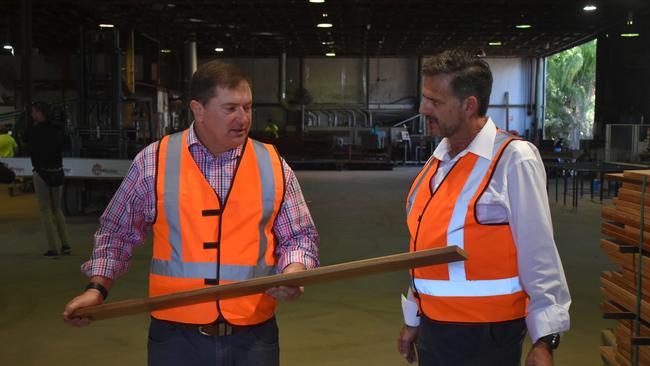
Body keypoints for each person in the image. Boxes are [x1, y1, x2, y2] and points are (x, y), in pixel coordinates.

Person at [62, 61, 320, 366]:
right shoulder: (154, 162)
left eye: (248, 107)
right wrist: (97, 289)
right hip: (176, 340)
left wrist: (293, 272)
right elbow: (116, 232)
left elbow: (299, 235)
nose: (243, 118)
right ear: (198, 110)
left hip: (254, 337)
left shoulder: (272, 164)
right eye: (230, 108)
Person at [397, 49, 571, 366]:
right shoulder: (437, 163)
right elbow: (424, 250)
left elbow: (539, 253)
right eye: (425, 98)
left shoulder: (513, 159)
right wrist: (413, 319)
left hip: (486, 338)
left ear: (469, 105)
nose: (423, 109)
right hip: (436, 330)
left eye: (435, 102)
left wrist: (544, 340)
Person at [24, 101, 71, 257]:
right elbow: (66, 145)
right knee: (57, 209)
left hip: (41, 173)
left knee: (44, 210)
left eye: (33, 112)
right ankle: (65, 244)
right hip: (57, 172)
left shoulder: (33, 130)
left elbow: (24, 139)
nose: (31, 114)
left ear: (39, 113)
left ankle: (52, 248)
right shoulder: (58, 130)